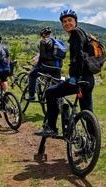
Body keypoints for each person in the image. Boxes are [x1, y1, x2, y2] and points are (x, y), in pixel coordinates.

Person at [36, 9, 94, 137]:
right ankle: (92, 143)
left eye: (70, 21)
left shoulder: (75, 34)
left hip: (79, 79)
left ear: (75, 22)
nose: (67, 23)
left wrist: (75, 77)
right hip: (89, 80)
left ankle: (51, 127)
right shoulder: (85, 34)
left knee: (50, 92)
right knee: (87, 112)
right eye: (64, 21)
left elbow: (79, 56)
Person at [26, 26, 62, 101]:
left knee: (32, 75)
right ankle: (60, 101)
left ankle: (32, 96)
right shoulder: (57, 41)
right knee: (56, 86)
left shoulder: (43, 41)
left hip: (47, 66)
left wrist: (37, 65)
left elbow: (42, 57)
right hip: (58, 67)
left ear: (43, 34)